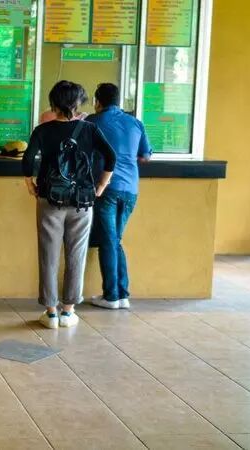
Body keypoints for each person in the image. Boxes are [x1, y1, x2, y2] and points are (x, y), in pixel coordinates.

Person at [22, 81, 116, 329]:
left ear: (53, 103)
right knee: (76, 255)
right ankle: (68, 311)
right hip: (82, 201)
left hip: (49, 199)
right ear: (78, 104)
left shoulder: (42, 130)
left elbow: (28, 159)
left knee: (48, 255)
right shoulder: (89, 129)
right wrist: (101, 186)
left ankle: (50, 313)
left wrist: (30, 184)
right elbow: (111, 157)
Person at [86, 83, 152, 310]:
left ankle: (112, 296)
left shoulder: (93, 122)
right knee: (114, 240)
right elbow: (145, 156)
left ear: (97, 102)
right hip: (131, 189)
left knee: (108, 241)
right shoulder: (135, 122)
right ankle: (122, 294)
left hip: (106, 188)